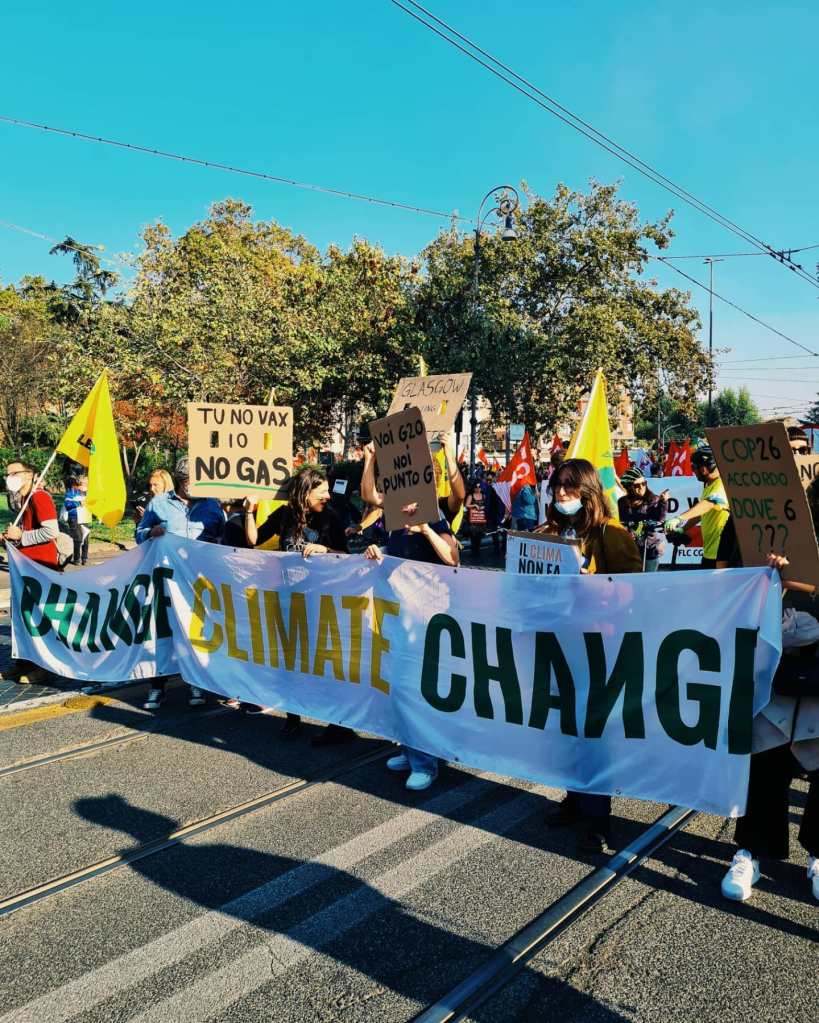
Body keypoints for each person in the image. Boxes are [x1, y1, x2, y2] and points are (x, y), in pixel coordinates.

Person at [536, 457, 641, 851]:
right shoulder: (549, 533)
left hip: (598, 649)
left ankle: (598, 819)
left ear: (589, 489)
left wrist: (593, 584)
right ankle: (576, 798)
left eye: (570, 485)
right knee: (567, 729)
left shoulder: (612, 534)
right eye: (557, 486)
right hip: (559, 643)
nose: (562, 492)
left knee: (594, 735)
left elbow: (635, 592)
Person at [721, 554, 818, 903]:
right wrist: (769, 577)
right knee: (765, 763)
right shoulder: (777, 535)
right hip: (775, 680)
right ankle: (751, 851)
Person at [245, 467, 354, 745]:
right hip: (289, 601)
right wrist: (249, 511)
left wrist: (326, 550)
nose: (328, 496)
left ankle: (338, 724)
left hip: (321, 603)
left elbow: (346, 557)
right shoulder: (285, 515)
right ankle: (293, 717)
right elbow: (254, 540)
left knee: (325, 663)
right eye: (322, 491)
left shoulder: (331, 518)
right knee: (289, 662)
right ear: (305, 492)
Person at [364, 508, 459, 791]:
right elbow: (398, 554)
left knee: (413, 691)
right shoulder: (394, 519)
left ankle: (425, 763)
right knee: (399, 689)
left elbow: (453, 557)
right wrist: (378, 551)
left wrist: (426, 530)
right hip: (402, 616)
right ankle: (411, 750)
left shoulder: (433, 514)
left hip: (427, 617)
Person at [136, 457, 225, 710]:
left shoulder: (212, 505)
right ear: (179, 481)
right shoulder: (159, 504)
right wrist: (150, 533)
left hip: (200, 581)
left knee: (195, 632)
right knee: (162, 632)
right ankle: (157, 686)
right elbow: (139, 535)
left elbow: (223, 537)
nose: (193, 485)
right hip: (167, 580)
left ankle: (196, 682)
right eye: (189, 481)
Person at [1, 460, 59, 684]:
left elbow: (51, 531)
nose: (9, 478)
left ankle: (42, 667)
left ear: (29, 475)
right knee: (21, 617)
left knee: (36, 619)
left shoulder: (39, 497)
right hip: (25, 568)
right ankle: (23, 663)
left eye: (14, 473)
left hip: (40, 568)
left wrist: (21, 536)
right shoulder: (24, 501)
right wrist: (10, 539)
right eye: (7, 474)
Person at [665, 446, 729, 570]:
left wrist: (679, 518)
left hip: (721, 552)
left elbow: (708, 504)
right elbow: (701, 512)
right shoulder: (709, 484)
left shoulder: (722, 484)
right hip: (710, 551)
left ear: (704, 468)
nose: (693, 471)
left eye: (693, 467)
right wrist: (683, 529)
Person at [617, 467, 669, 571]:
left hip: (650, 548)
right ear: (629, 487)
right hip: (630, 549)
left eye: (644, 483)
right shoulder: (622, 502)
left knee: (648, 578)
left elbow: (659, 519)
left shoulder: (654, 499)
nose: (641, 487)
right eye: (637, 485)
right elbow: (621, 523)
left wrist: (663, 503)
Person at [63, 474, 90, 566]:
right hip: (74, 517)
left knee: (85, 539)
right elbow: (67, 504)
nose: (84, 486)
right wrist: (78, 503)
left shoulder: (89, 494)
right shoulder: (72, 492)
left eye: (86, 484)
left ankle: (84, 558)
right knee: (78, 538)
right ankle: (76, 558)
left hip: (85, 517)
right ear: (78, 483)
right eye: (83, 483)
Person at [464, 481, 489, 555]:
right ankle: (473, 551)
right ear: (474, 488)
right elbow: (466, 505)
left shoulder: (484, 495)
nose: (478, 489)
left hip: (481, 519)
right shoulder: (471, 496)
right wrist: (474, 505)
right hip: (473, 519)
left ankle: (477, 550)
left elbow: (487, 505)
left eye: (479, 487)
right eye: (476, 487)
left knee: (480, 535)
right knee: (473, 536)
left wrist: (483, 507)